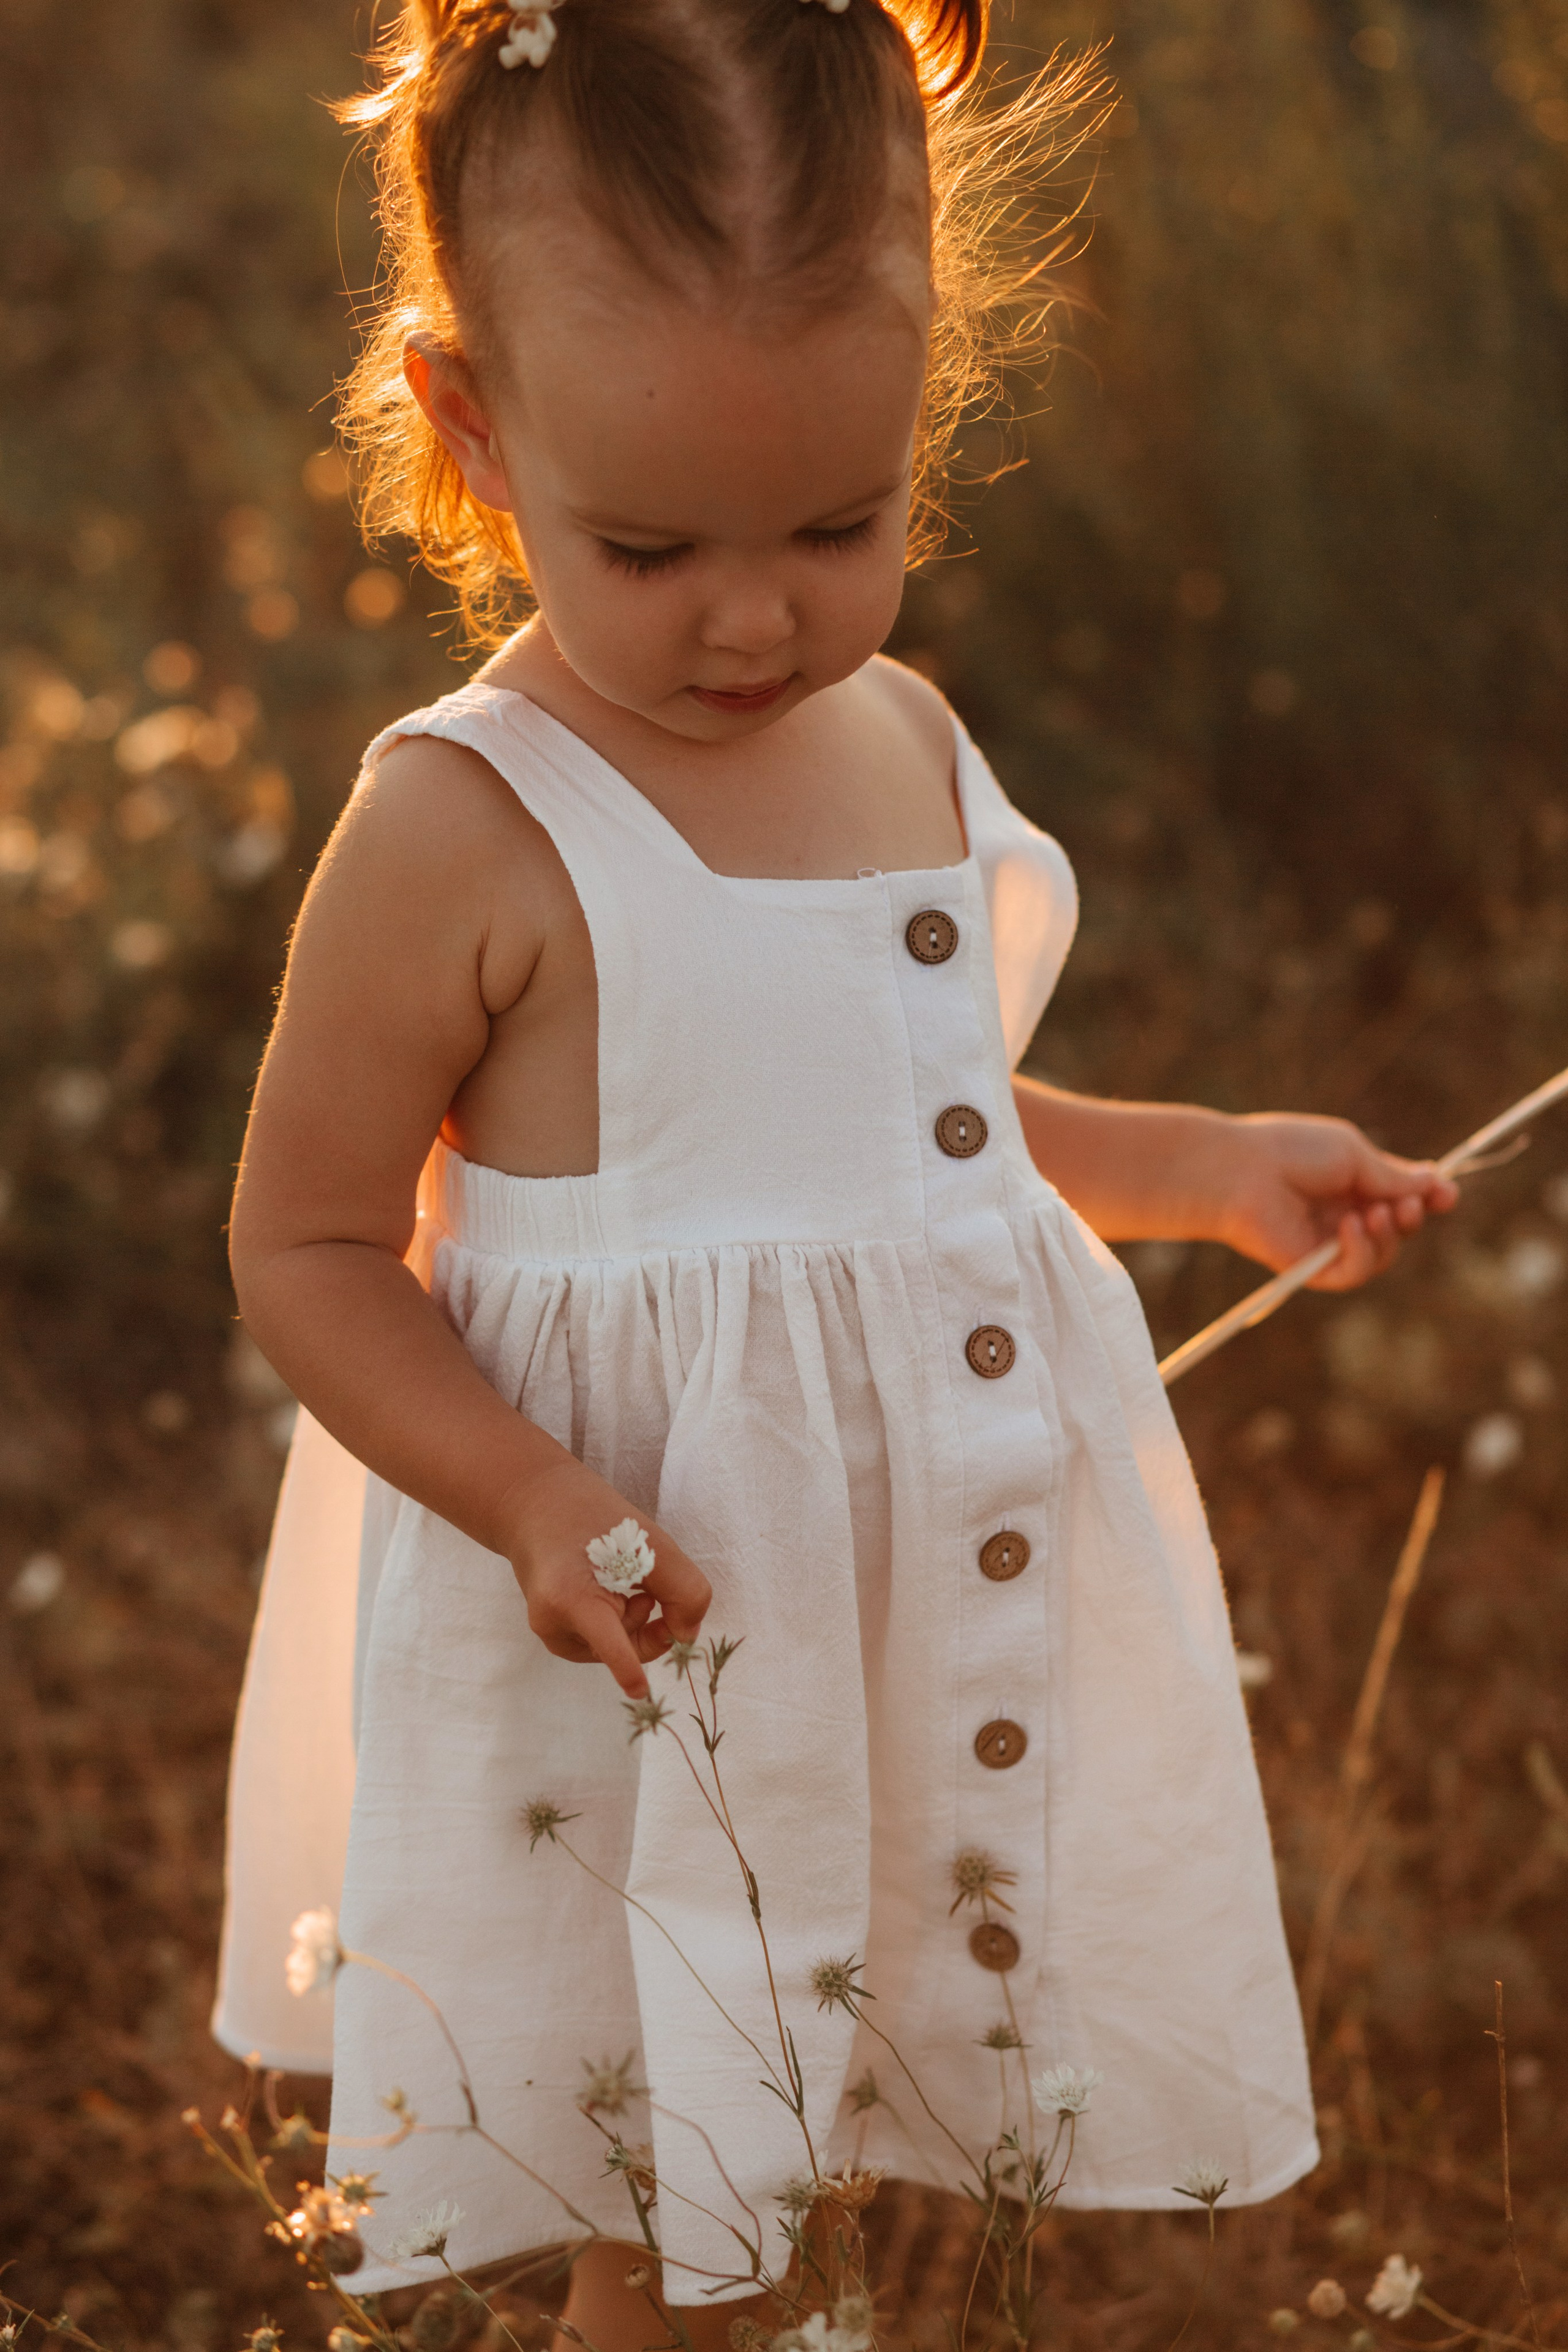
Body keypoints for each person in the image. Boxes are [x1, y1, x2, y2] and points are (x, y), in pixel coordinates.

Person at [213, 0, 1457, 2338]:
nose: (760, 616)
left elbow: (928, 1118)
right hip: (644, 1623)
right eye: (655, 543)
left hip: (888, 1617)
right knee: (687, 2236)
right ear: (474, 432)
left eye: (841, 522)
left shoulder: (898, 737)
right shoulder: (469, 820)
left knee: (833, 2146)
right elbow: (302, 1243)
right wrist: (522, 1495)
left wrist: (1210, 1166)